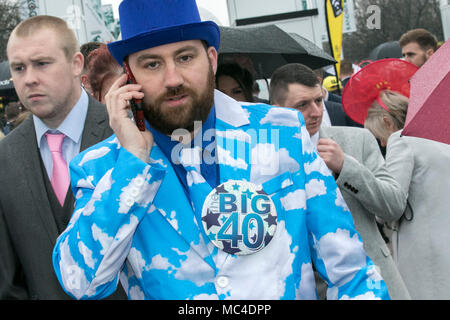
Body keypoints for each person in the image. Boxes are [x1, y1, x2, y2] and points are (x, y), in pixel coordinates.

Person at [52, 0, 389, 300]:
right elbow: (81, 282)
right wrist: (133, 162)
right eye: (152, 64)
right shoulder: (102, 168)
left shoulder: (280, 131)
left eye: (185, 57)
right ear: (129, 77)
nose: (173, 78)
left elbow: (352, 272)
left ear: (211, 59)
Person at [0, 15, 125, 299]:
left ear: (76, 64)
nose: (29, 78)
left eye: (42, 63)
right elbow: (7, 280)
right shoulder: (4, 158)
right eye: (19, 68)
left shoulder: (125, 136)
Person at [269, 63, 411, 300]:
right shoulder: (262, 159)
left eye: (317, 101)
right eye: (302, 105)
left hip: (371, 285)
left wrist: (345, 167)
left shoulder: (357, 140)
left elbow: (393, 206)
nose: (316, 112)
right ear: (277, 109)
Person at [363, 90, 450, 299]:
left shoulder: (401, 140)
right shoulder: (438, 137)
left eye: (377, 136)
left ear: (387, 121)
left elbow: (390, 203)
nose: (381, 144)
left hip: (421, 247)